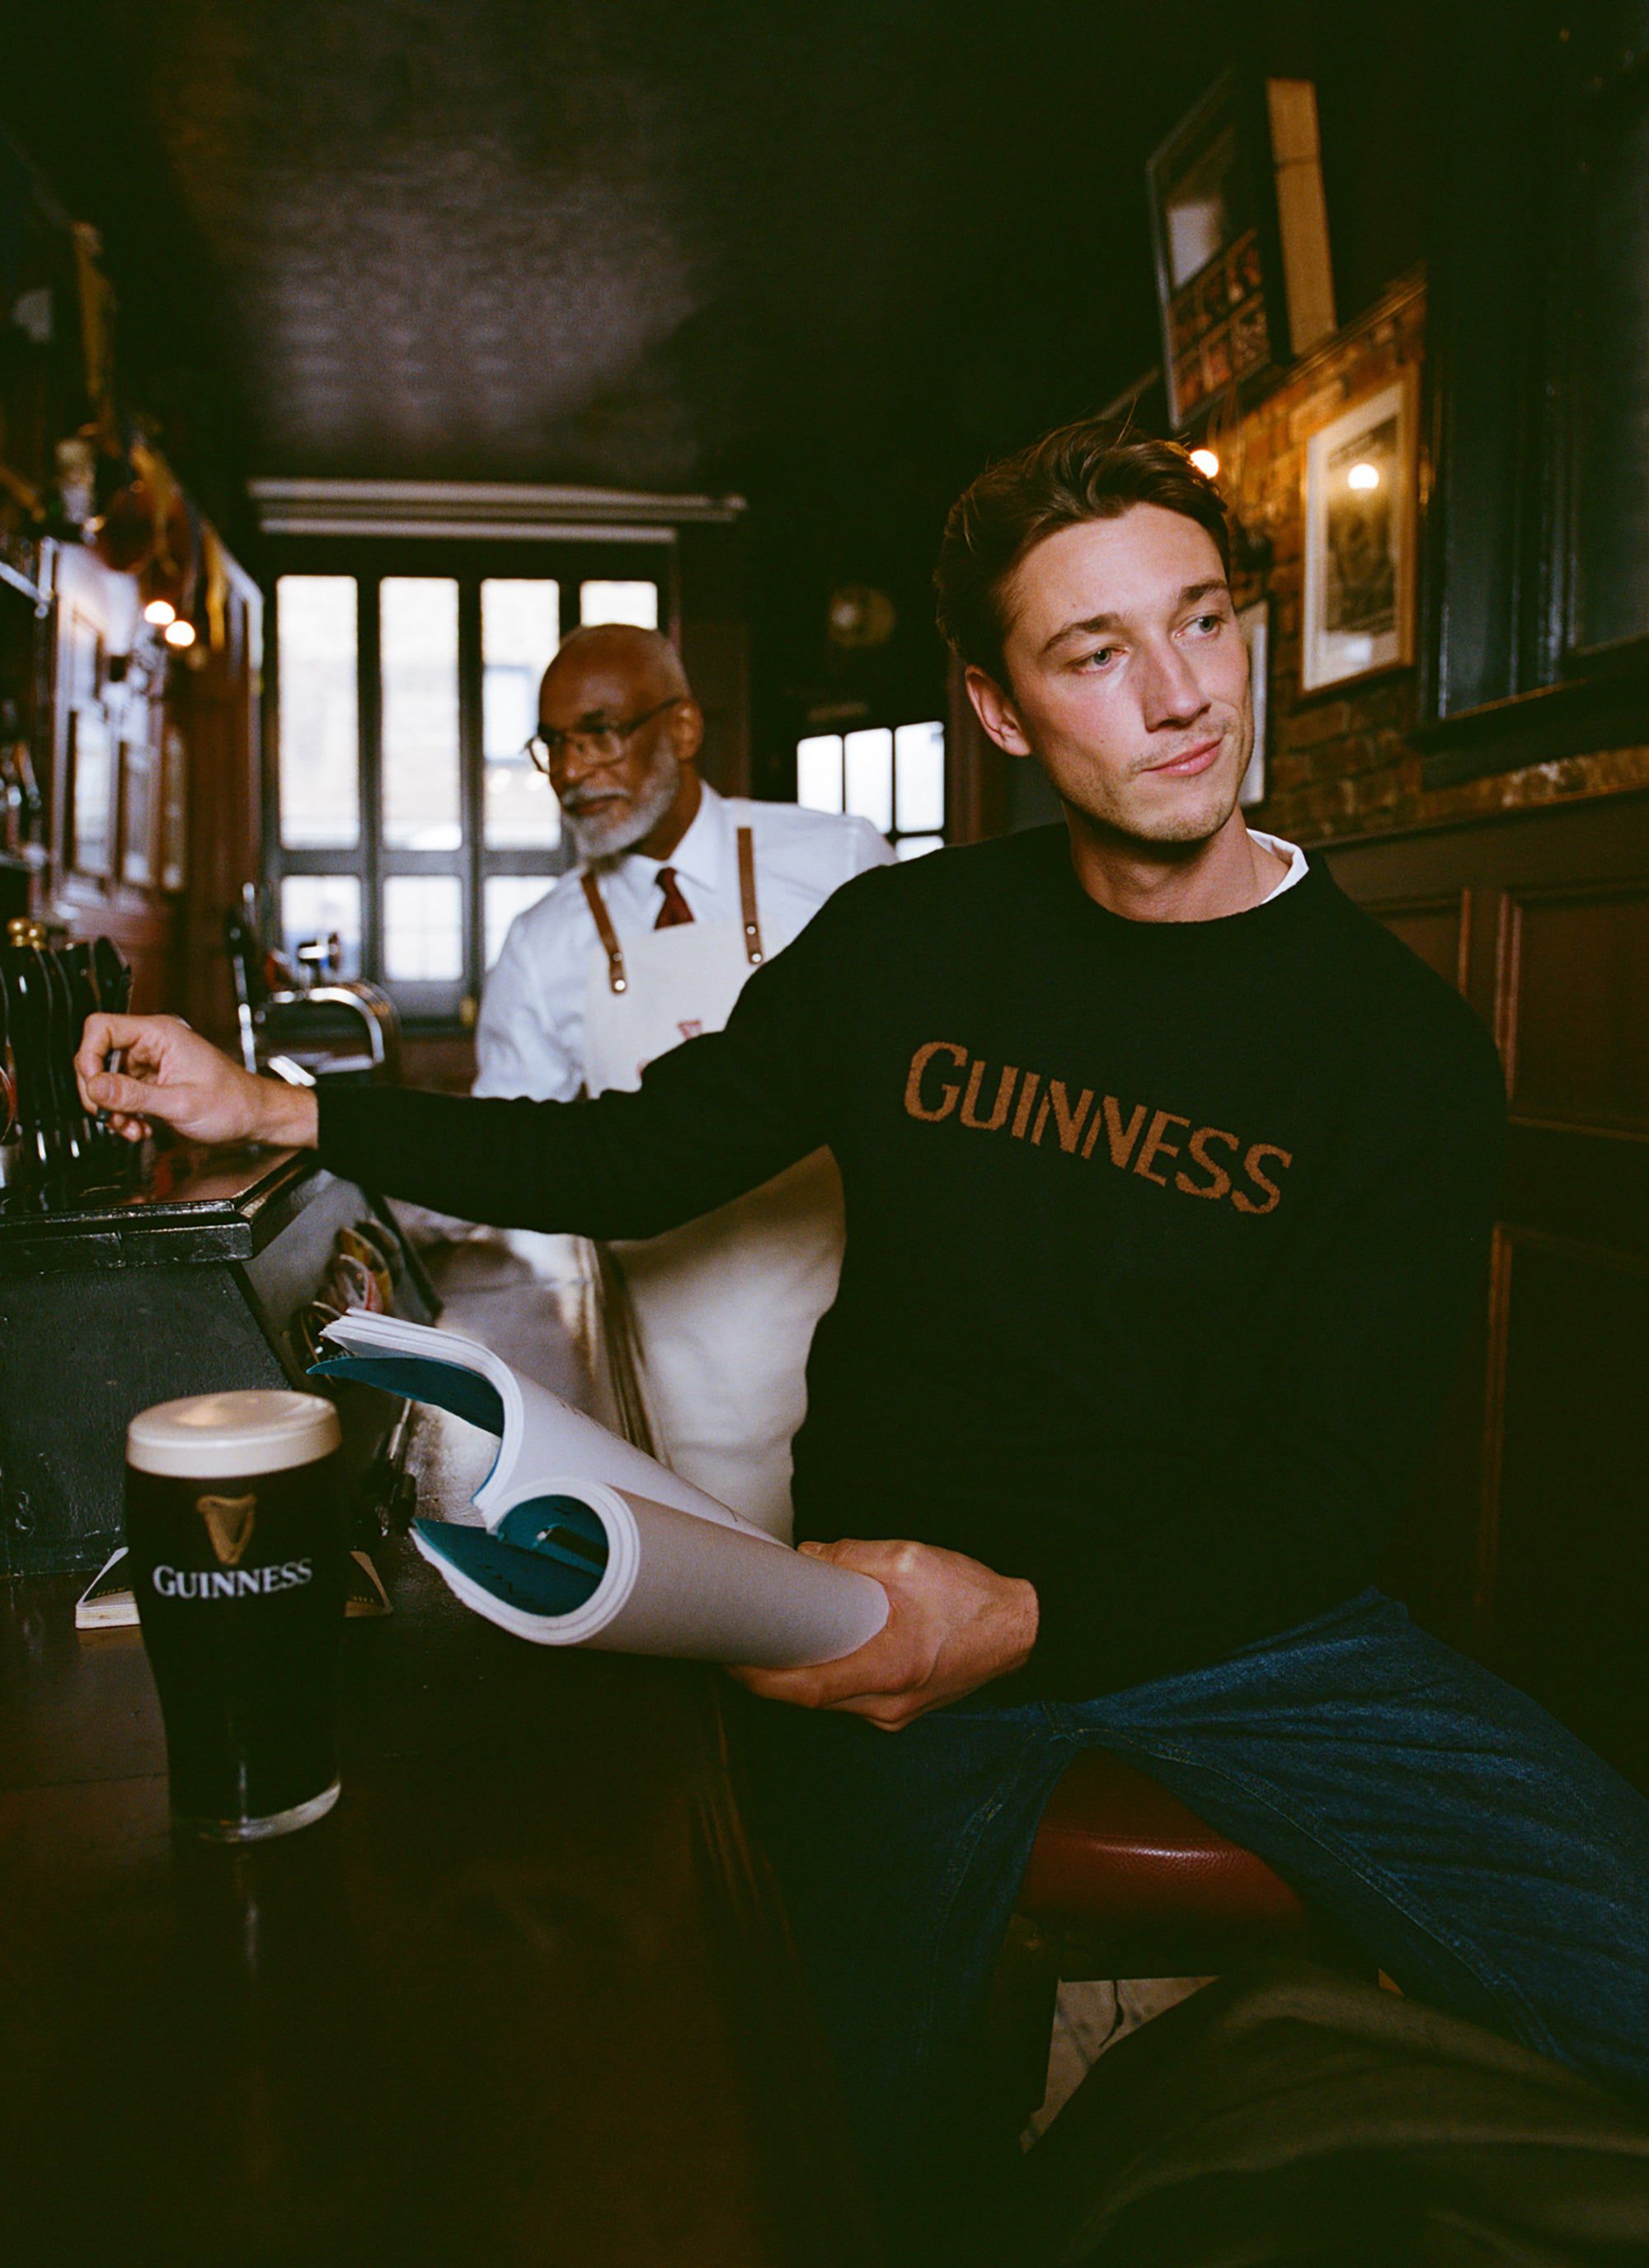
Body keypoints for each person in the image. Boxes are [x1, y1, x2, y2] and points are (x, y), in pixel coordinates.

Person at [78, 422, 1649, 2256]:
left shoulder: (1401, 1050)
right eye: (1093, 652)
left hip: (1246, 1619)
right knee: (798, 2145)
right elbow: (633, 1154)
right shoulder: (906, 938)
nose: (1178, 697)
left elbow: (1328, 1496)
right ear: (997, 709)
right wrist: (281, 1112)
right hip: (878, 1597)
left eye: (1204, 621)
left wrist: (1039, 1623)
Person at [474, 622, 890, 1536]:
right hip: (667, 1361)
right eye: (554, 745)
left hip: (864, 1341)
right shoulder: (541, 944)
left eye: (601, 732)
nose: (573, 770)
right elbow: (515, 1155)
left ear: (685, 728)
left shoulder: (837, 860)